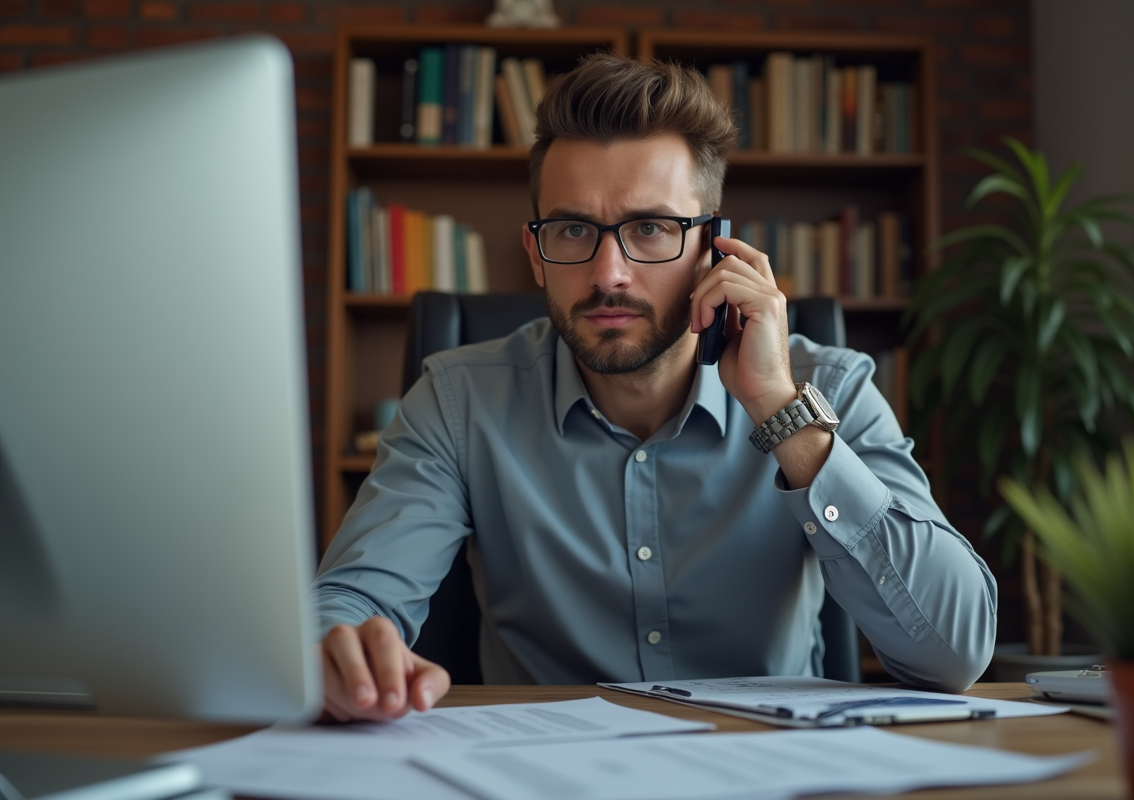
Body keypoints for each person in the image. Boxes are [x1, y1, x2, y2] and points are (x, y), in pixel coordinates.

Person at [313, 54, 997, 722]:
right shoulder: (458, 403)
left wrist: (781, 410)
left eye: (651, 229)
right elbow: (348, 605)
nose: (609, 272)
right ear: (535, 252)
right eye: (573, 229)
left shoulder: (829, 388)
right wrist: (338, 658)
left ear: (715, 246)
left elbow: (953, 654)